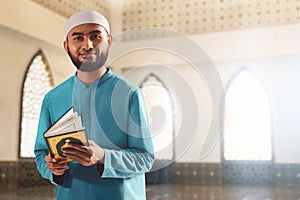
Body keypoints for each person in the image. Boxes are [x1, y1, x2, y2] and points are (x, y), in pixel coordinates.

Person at [34, 10, 154, 200]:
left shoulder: (129, 94)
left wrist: (103, 157)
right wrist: (53, 170)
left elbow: (145, 159)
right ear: (67, 46)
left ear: (109, 41)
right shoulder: (52, 98)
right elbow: (41, 154)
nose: (87, 45)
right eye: (78, 38)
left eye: (95, 36)